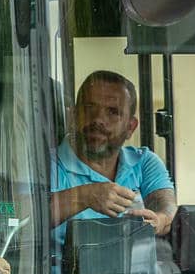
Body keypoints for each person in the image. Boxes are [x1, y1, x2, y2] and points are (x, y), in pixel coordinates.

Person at [50, 70, 177, 237]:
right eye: (89, 107)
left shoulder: (144, 161)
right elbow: (21, 217)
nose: (98, 119)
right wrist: (86, 196)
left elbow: (167, 208)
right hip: (71, 264)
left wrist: (159, 220)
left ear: (130, 127)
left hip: (138, 262)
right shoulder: (47, 164)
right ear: (73, 116)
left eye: (112, 112)